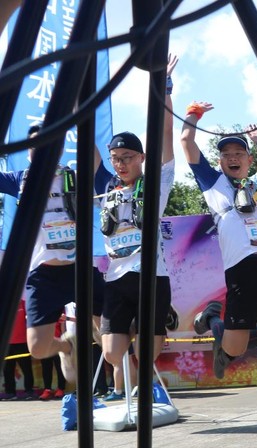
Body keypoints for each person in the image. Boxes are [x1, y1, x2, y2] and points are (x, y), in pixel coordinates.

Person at [181, 103, 257, 380]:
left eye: (238, 153)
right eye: (226, 155)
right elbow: (186, 142)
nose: (232, 158)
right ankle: (213, 322)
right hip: (242, 266)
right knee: (236, 348)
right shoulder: (214, 184)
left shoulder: (256, 185)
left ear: (248, 160)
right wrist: (193, 114)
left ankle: (223, 333)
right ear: (220, 162)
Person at [93, 55, 178, 381]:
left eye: (127, 157)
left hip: (151, 277)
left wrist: (164, 86)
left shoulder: (156, 183)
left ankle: (153, 325)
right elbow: (88, 146)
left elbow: (165, 132)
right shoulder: (105, 186)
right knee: (112, 353)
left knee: (146, 352)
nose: (121, 164)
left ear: (142, 157)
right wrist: (78, 104)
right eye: (116, 158)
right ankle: (129, 369)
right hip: (116, 279)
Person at [0, 127, 106, 385]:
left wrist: (84, 120)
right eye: (34, 146)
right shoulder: (20, 180)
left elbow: (95, 164)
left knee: (111, 338)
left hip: (79, 268)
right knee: (37, 348)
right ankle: (67, 347)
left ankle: (130, 387)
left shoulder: (73, 177)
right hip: (44, 274)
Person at [1, 299, 35, 400]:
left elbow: (31, 319)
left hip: (22, 342)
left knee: (27, 369)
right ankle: (10, 393)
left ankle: (29, 391)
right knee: (8, 370)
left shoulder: (23, 304)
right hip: (6, 343)